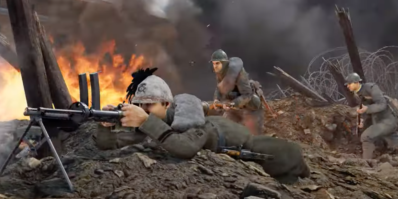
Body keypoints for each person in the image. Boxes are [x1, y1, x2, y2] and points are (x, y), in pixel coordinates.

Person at [94, 69, 310, 182]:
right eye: (140, 105)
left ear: (167, 104)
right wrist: (105, 125)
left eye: (149, 104)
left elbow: (185, 148)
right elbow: (109, 144)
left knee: (285, 156)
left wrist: (146, 121)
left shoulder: (191, 121)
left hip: (240, 140)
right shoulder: (155, 123)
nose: (144, 109)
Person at [345, 73, 398, 160]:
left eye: (349, 83)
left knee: (366, 137)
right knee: (396, 143)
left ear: (356, 82)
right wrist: (362, 120)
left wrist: (367, 109)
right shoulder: (357, 94)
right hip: (380, 122)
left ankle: (366, 164)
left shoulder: (372, 88)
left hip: (387, 120)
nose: (348, 86)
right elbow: (365, 108)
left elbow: (382, 104)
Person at [210, 49, 264, 135]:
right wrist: (217, 100)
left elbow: (247, 95)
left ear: (224, 64)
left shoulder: (239, 73)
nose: (215, 66)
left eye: (217, 63)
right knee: (224, 129)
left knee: (253, 137)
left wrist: (233, 104)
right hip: (233, 107)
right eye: (213, 63)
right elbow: (219, 88)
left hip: (249, 107)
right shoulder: (220, 73)